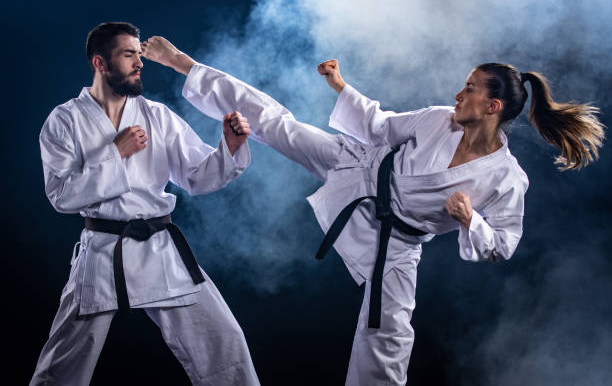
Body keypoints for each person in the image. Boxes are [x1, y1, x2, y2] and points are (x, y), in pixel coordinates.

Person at [142, 36, 604, 386]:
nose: (458, 94)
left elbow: (501, 245)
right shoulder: (439, 119)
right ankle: (185, 64)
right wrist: (340, 86)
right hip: (358, 168)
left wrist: (471, 220)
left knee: (388, 337)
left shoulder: (506, 179)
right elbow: (380, 127)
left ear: (492, 106)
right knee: (275, 122)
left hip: (399, 242)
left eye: (469, 90)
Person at [30, 23, 260, 386]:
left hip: (159, 246)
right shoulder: (65, 120)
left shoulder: (157, 116)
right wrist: (115, 154)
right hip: (102, 250)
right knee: (64, 363)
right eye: (128, 55)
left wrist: (228, 148)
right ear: (100, 63)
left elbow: (197, 176)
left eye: (140, 54)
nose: (140, 62)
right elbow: (62, 196)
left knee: (224, 342)